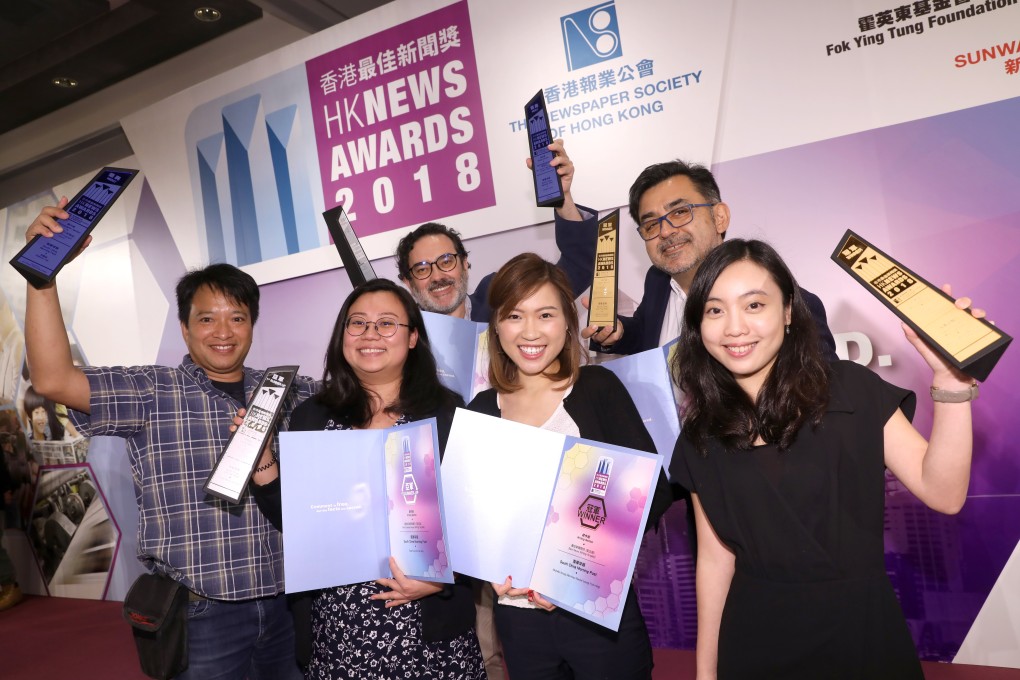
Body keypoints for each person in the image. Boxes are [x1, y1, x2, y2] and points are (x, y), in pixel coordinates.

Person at [24, 199, 316, 679]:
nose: (223, 331)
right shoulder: (151, 390)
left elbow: (369, 395)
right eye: (207, 318)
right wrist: (42, 276)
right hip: (202, 616)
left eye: (237, 317)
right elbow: (54, 379)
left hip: (288, 606)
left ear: (252, 325)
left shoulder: (289, 390)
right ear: (184, 327)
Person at [669, 239, 982, 679]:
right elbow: (716, 560)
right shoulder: (702, 433)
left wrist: (950, 383)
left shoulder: (851, 390)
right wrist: (706, 674)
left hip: (861, 637)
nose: (734, 328)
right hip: (755, 641)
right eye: (715, 310)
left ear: (789, 311)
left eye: (754, 304)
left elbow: (944, 493)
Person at [250, 278, 485, 679]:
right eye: (357, 323)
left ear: (412, 339)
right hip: (338, 628)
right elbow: (298, 519)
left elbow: (478, 518)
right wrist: (261, 459)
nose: (370, 334)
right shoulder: (311, 415)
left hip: (429, 630)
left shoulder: (446, 413)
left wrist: (441, 580)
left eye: (387, 324)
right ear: (343, 335)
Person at [466, 253, 672, 679]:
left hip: (596, 616)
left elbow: (654, 492)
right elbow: (470, 517)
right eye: (513, 316)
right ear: (496, 327)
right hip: (518, 619)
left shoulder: (596, 388)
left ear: (566, 321)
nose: (529, 331)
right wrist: (488, 572)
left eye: (545, 314)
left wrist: (575, 574)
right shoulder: (482, 411)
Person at [560, 159, 836, 358]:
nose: (665, 231)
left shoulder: (791, 306)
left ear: (719, 217)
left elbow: (821, 397)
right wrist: (618, 332)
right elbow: (649, 335)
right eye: (651, 224)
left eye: (680, 212)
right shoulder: (657, 281)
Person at [395, 139, 597, 322]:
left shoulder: (499, 298)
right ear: (408, 282)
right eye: (422, 269)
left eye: (446, 261)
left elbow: (577, 265)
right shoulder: (402, 339)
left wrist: (563, 199)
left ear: (465, 263)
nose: (437, 276)